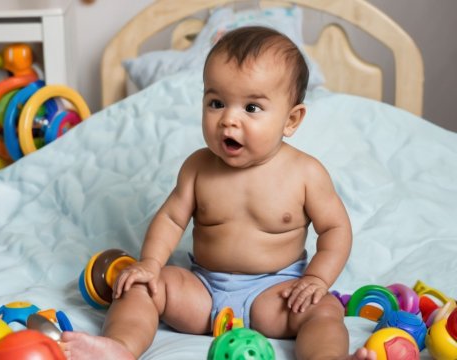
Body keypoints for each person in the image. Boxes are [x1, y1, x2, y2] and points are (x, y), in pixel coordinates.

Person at [62, 26, 376, 360]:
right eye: (216, 103)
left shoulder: (306, 174)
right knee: (141, 286)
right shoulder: (198, 167)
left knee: (324, 308)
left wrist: (316, 278)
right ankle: (120, 348)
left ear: (291, 120)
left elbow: (336, 229)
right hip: (203, 292)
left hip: (276, 294)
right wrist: (151, 264)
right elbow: (170, 218)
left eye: (251, 108)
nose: (228, 120)